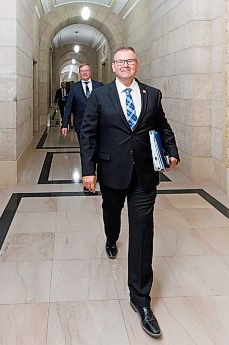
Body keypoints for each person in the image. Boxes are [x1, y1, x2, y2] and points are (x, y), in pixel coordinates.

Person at [79, 47, 179, 338]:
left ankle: (141, 299)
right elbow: (88, 134)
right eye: (120, 61)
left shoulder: (152, 94)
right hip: (112, 171)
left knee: (143, 230)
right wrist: (89, 170)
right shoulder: (99, 96)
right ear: (113, 66)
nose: (126, 65)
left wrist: (172, 151)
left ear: (137, 64)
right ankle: (111, 236)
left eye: (130, 61)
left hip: (145, 173)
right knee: (112, 213)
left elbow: (162, 125)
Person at [61, 64, 103, 144]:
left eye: (86, 70)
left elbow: (105, 105)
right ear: (79, 73)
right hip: (81, 125)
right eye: (82, 71)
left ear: (90, 72)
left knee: (97, 149)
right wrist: (64, 125)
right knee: (84, 150)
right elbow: (68, 107)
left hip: (98, 124)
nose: (85, 73)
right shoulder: (74, 88)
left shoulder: (99, 85)